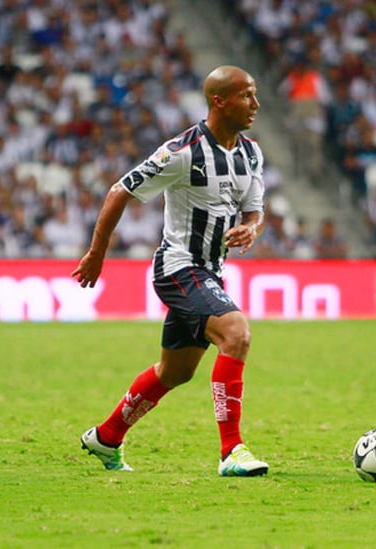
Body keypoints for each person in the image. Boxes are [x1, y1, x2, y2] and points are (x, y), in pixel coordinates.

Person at [71, 65, 269, 477]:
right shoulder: (183, 152)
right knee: (236, 333)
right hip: (178, 267)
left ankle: (106, 437)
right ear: (219, 101)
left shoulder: (250, 152)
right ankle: (232, 450)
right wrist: (96, 253)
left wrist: (250, 228)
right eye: (247, 96)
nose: (256, 104)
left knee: (174, 372)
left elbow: (255, 208)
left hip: (211, 273)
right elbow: (120, 190)